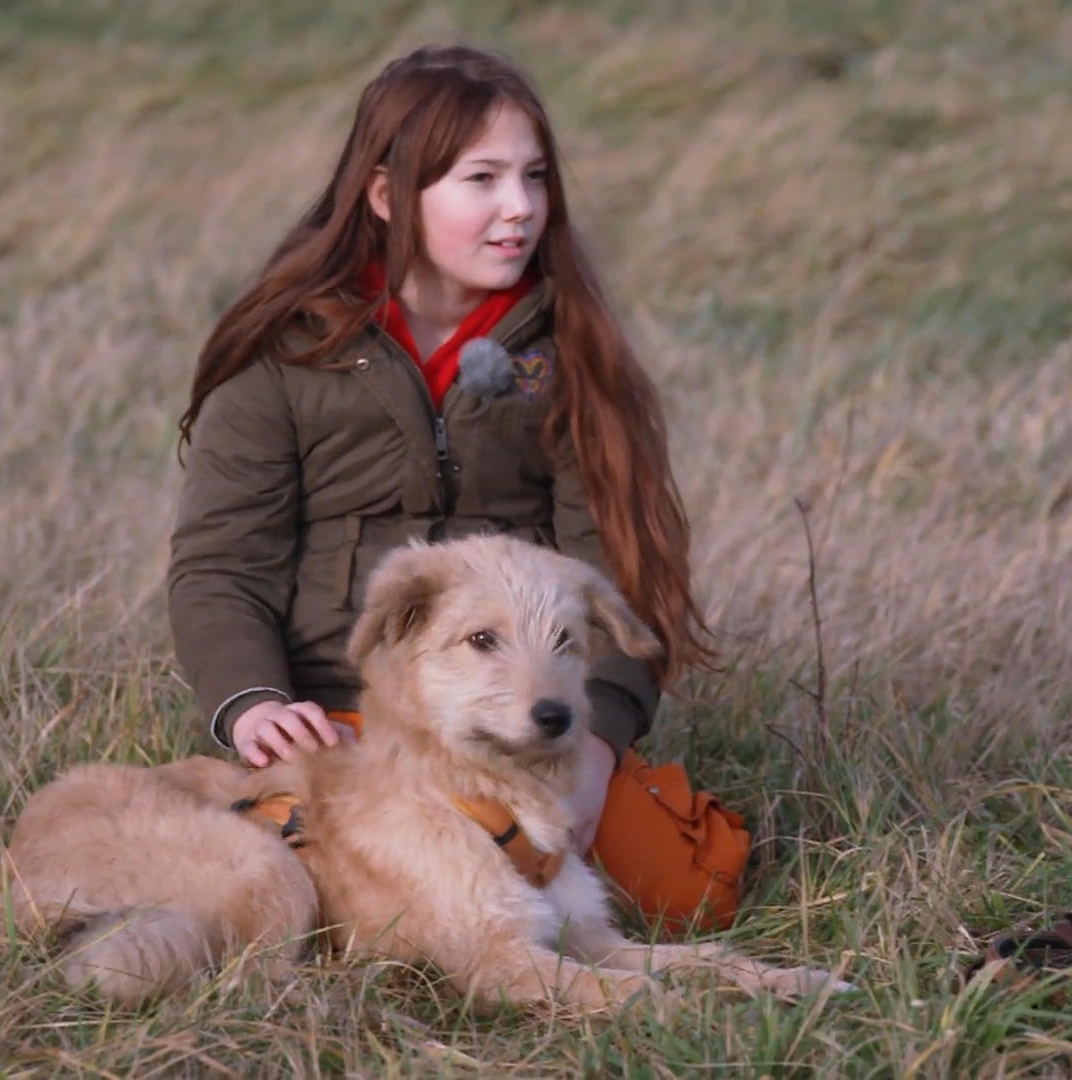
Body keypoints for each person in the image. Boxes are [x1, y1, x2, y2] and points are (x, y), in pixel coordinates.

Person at [165, 44, 746, 931]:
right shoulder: (282, 357)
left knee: (683, 896)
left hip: (529, 723)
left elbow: (621, 573)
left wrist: (596, 745)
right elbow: (220, 566)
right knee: (305, 899)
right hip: (343, 720)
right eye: (482, 179)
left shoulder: (575, 356)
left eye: (535, 177)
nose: (521, 208)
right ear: (388, 195)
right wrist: (253, 703)